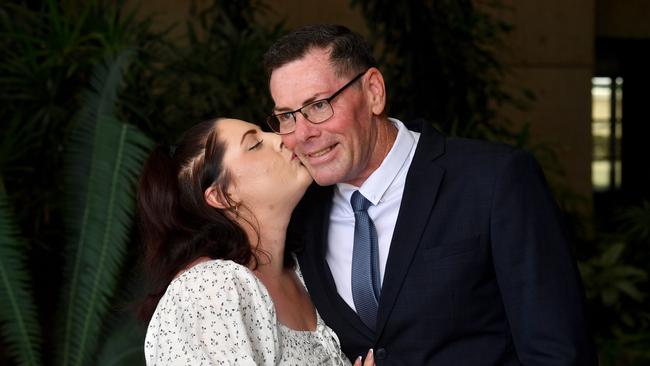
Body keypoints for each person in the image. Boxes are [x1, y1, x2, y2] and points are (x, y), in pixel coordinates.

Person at [263, 24, 597, 365]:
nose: (302, 134)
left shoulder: (494, 179)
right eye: (287, 116)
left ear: (374, 92)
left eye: (318, 106)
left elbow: (559, 353)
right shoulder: (300, 216)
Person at [137, 118, 374, 365]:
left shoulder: (306, 268)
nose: (283, 139)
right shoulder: (207, 290)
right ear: (223, 196)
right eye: (254, 145)